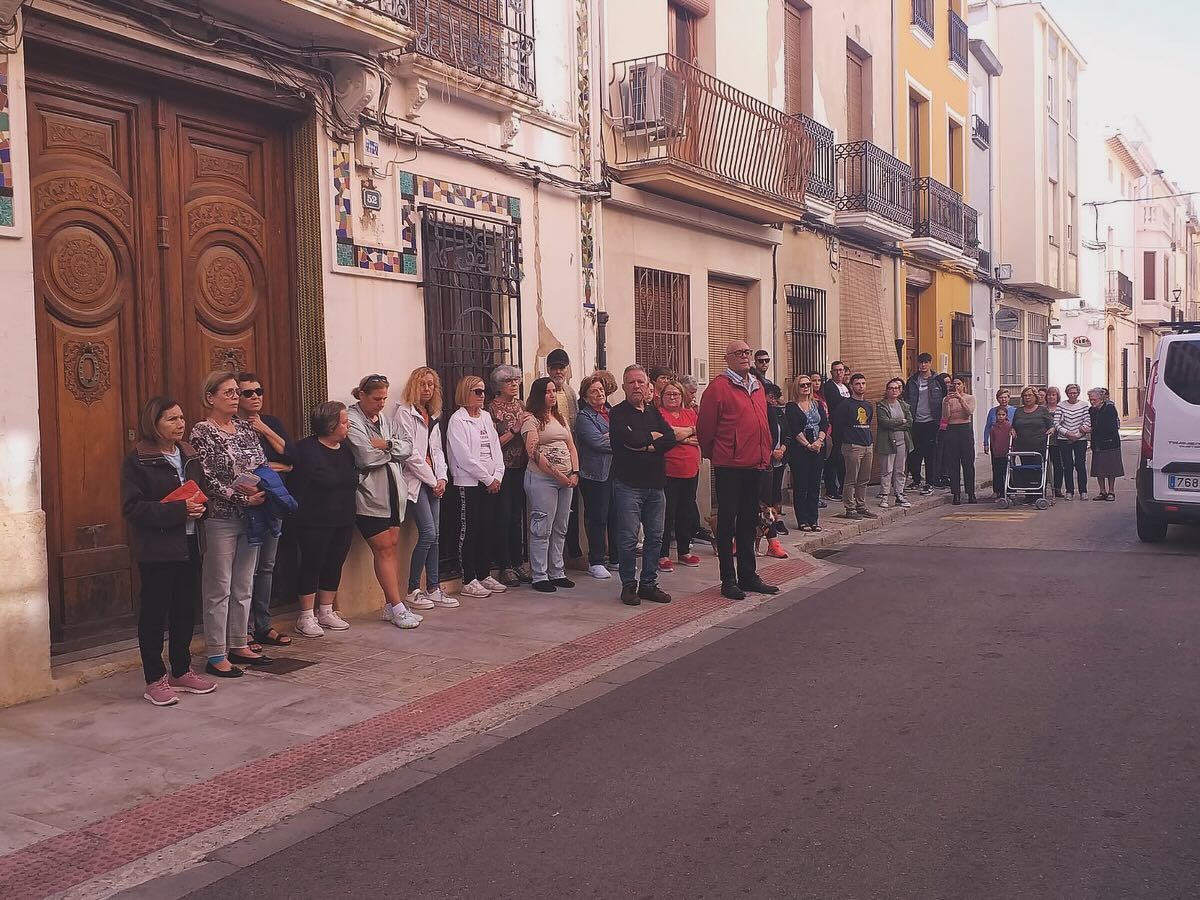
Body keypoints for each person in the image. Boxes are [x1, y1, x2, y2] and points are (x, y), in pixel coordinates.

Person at [122, 397, 215, 705]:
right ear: (154, 424)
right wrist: (178, 510)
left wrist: (201, 508)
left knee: (184, 609)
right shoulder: (138, 460)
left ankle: (181, 670)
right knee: (154, 613)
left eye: (181, 418)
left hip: (190, 542)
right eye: (171, 419)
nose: (180, 424)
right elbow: (133, 508)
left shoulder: (189, 454)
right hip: (158, 548)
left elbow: (202, 492)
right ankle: (154, 679)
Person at [190, 371, 270, 677]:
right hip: (221, 517)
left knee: (244, 583)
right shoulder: (202, 431)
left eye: (237, 392)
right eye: (229, 393)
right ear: (210, 397)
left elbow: (261, 462)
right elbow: (208, 478)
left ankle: (239, 642)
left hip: (252, 516)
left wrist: (262, 489)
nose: (236, 397)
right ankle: (216, 652)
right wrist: (240, 498)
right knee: (219, 586)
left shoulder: (245, 428)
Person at [697, 341, 779, 601]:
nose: (744, 356)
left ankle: (748, 576)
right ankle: (728, 580)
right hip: (730, 465)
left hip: (755, 464)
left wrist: (765, 450)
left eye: (747, 352)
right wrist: (718, 454)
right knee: (727, 523)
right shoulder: (718, 387)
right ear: (727, 358)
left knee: (747, 522)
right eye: (738, 353)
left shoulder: (757, 385)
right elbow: (705, 429)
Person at [346, 374, 422, 629]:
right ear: (362, 395)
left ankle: (392, 605)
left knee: (391, 546)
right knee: (384, 549)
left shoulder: (385, 420)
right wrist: (392, 452)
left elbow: (408, 448)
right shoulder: (353, 420)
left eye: (384, 398)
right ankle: (397, 606)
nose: (381, 403)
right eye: (376, 398)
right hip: (370, 496)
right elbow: (365, 457)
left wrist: (387, 444)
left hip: (393, 494)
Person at [289, 402, 360, 637]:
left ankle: (326, 610)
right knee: (312, 563)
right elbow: (297, 485)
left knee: (335, 562)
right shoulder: (307, 450)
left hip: (343, 518)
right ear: (330, 425)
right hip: (314, 520)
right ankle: (306, 616)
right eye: (344, 422)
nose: (348, 426)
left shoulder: (345, 449)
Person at [235, 373, 294, 651]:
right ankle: (243, 630)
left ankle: (264, 625)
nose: (255, 397)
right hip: (248, 503)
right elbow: (243, 468)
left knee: (266, 566)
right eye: (248, 393)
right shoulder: (231, 427)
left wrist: (263, 428)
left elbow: (291, 457)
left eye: (259, 391)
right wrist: (274, 467)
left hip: (273, 502)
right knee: (246, 569)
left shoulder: (270, 422)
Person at [392, 368, 459, 611]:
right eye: (423, 384)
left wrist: (442, 478)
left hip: (433, 482)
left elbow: (437, 450)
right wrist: (432, 480)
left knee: (436, 535)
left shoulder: (433, 415)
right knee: (428, 533)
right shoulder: (404, 413)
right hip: (416, 481)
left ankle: (433, 587)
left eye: (431, 384)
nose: (428, 389)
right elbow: (410, 454)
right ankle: (412, 589)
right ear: (414, 386)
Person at [610, 365, 677, 606]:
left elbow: (670, 438)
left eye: (640, 382)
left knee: (655, 537)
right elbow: (628, 438)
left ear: (648, 385)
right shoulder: (618, 413)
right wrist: (653, 438)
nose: (636, 386)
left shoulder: (653, 412)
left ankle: (649, 584)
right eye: (631, 382)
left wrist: (645, 444)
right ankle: (629, 585)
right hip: (629, 485)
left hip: (656, 485)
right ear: (624, 386)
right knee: (628, 539)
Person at [447, 375, 508, 597]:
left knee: (486, 527)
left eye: (484, 391)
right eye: (478, 392)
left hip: (490, 480)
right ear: (466, 393)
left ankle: (484, 573)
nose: (482, 396)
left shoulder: (485, 417)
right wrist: (487, 478)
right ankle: (468, 578)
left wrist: (497, 475)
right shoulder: (458, 420)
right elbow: (464, 457)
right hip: (470, 482)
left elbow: (495, 448)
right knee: (469, 529)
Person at [521, 376, 581, 592]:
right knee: (542, 527)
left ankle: (557, 571)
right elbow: (533, 452)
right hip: (542, 479)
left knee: (560, 527)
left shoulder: (560, 418)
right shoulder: (531, 420)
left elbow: (571, 446)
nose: (552, 395)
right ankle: (539, 574)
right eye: (547, 391)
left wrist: (575, 472)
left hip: (566, 479)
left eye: (554, 391)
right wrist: (558, 475)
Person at [487, 365, 529, 586]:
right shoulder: (491, 409)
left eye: (516, 380)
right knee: (503, 517)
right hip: (502, 469)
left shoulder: (521, 405)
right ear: (498, 385)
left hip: (521, 467)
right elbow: (493, 443)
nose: (514, 384)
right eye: (508, 381)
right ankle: (504, 566)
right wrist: (515, 429)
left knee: (517, 517)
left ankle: (518, 562)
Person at [576, 373, 618, 579]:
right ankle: (596, 561)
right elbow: (597, 442)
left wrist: (616, 437)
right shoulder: (584, 417)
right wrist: (620, 439)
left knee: (616, 516)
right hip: (595, 474)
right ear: (585, 397)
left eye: (601, 389)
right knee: (598, 517)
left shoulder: (612, 412)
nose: (599, 393)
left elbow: (629, 434)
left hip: (617, 471)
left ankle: (616, 558)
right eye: (594, 391)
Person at [659, 380, 702, 570]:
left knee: (686, 511)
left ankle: (684, 551)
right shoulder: (659, 414)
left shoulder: (690, 413)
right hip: (668, 471)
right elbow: (666, 435)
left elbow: (701, 435)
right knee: (667, 513)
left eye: (676, 394)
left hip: (691, 469)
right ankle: (662, 554)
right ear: (662, 397)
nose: (672, 397)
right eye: (668, 394)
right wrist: (689, 433)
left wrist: (679, 436)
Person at [546, 349, 583, 564]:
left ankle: (572, 552)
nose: (558, 372)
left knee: (571, 509)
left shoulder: (570, 392)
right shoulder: (543, 390)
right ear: (548, 369)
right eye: (554, 368)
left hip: (571, 455)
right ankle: (552, 558)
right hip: (550, 459)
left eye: (562, 368)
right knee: (551, 512)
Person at [785, 375, 828, 533]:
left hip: (818, 446)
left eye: (808, 384)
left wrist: (819, 441)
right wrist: (808, 445)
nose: (806, 387)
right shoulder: (791, 406)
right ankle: (802, 520)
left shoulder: (817, 404)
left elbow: (824, 423)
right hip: (800, 448)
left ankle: (813, 519)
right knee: (801, 485)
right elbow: (794, 428)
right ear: (797, 387)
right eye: (802, 385)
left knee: (814, 485)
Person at [832, 372, 876, 521]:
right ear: (851, 386)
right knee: (851, 478)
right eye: (857, 384)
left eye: (863, 383)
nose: (861, 386)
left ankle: (861, 505)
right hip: (852, 445)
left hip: (867, 444)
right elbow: (838, 425)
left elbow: (868, 422)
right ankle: (849, 507)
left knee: (864, 478)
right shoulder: (845, 405)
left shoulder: (868, 405)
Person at [903, 353, 946, 495]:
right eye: (921, 362)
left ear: (930, 363)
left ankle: (929, 483)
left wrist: (942, 421)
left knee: (930, 454)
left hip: (932, 422)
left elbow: (944, 399)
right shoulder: (912, 380)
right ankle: (916, 480)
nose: (923, 365)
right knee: (914, 453)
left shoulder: (938, 380)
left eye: (926, 362)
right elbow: (907, 399)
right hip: (915, 421)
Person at [760, 382, 789, 556]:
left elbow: (785, 434)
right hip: (753, 460)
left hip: (772, 461)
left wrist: (780, 450)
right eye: (770, 397)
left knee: (770, 497)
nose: (773, 401)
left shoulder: (775, 412)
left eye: (774, 398)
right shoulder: (755, 410)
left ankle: (773, 541)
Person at [875, 378, 913, 509]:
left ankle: (899, 494)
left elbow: (909, 422)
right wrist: (901, 421)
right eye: (891, 388)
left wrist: (896, 424)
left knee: (900, 469)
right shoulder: (881, 405)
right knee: (887, 469)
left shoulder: (904, 405)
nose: (894, 390)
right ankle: (884, 495)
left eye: (896, 388)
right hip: (888, 441)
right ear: (887, 391)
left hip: (902, 440)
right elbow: (885, 423)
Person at [941, 376, 977, 505]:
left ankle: (971, 492)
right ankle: (956, 493)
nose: (956, 386)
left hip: (965, 429)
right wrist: (946, 402)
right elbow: (946, 417)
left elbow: (969, 412)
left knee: (968, 462)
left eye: (958, 384)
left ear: (963, 385)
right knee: (953, 463)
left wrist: (960, 398)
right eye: (954, 384)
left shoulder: (969, 398)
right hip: (952, 429)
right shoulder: (946, 399)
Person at [821, 361, 850, 499]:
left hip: (846, 428)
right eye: (836, 370)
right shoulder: (829, 387)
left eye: (841, 370)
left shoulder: (846, 387)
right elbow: (838, 402)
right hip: (834, 427)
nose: (839, 373)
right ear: (831, 372)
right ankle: (831, 489)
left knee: (843, 459)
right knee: (834, 458)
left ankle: (843, 487)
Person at [1056, 383, 1090, 500]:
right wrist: (1067, 433)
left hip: (1080, 440)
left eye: (1075, 393)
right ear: (1066, 393)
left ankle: (1083, 491)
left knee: (1080, 465)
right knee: (1067, 465)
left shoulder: (1084, 405)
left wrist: (1077, 436)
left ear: (1078, 393)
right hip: (1064, 439)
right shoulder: (1061, 405)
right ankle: (1069, 491)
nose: (1072, 395)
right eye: (1070, 393)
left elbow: (1087, 421)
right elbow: (1056, 423)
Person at [1087, 388, 1122, 501]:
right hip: (1097, 443)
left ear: (1101, 399)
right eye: (1090, 399)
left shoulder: (1109, 408)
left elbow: (1110, 426)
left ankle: (1111, 491)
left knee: (1111, 469)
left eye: (1094, 399)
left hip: (1110, 443)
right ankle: (1102, 491)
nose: (1092, 402)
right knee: (1099, 468)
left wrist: (1092, 429)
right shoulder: (1091, 410)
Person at [1011, 386, 1054, 452]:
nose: (1027, 397)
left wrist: (1052, 429)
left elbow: (1051, 425)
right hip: (1021, 447)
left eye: (1030, 395)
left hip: (1039, 448)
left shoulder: (1043, 410)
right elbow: (1013, 426)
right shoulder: (1018, 411)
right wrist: (1012, 430)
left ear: (1035, 397)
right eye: (1025, 395)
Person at [987, 406, 1014, 500]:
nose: (1001, 416)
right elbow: (992, 440)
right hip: (997, 454)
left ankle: (1010, 491)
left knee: (1007, 472)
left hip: (1007, 453)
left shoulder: (1009, 426)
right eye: (999, 415)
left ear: (1006, 415)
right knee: (998, 474)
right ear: (996, 416)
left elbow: (1013, 438)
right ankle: (1000, 493)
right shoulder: (993, 428)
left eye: (1003, 415)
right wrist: (993, 450)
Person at [982, 389, 1017, 455]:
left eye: (1005, 397)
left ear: (1009, 398)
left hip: (1009, 442)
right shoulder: (992, 411)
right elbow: (987, 428)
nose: (1003, 399)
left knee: (1010, 460)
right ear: (997, 399)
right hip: (995, 442)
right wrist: (986, 443)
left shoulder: (1014, 410)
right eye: (1001, 397)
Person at [1044, 386, 1064, 498]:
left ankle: (1057, 489)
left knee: (1058, 465)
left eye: (1053, 395)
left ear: (1057, 396)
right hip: (1045, 440)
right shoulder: (1042, 409)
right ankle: (1044, 487)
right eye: (1049, 395)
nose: (1051, 397)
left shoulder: (1061, 408)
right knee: (1045, 465)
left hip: (1058, 440)